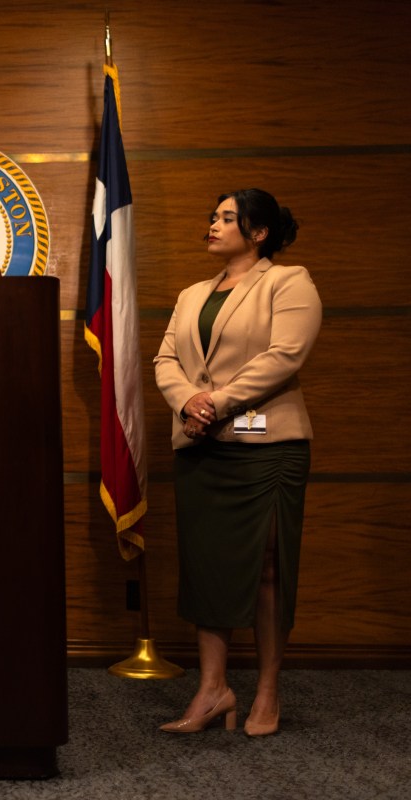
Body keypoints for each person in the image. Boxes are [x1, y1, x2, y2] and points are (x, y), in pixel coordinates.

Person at [154, 188, 322, 737]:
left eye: (228, 218)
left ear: (259, 232)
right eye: (213, 215)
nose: (213, 224)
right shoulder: (190, 293)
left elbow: (285, 355)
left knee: (268, 572)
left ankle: (267, 692)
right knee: (208, 568)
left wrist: (215, 402)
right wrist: (186, 401)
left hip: (268, 448)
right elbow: (166, 359)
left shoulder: (288, 281)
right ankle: (213, 689)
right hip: (202, 447)